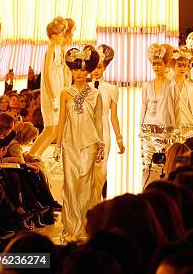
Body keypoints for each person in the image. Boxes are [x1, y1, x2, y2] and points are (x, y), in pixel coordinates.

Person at [54, 46, 104, 241]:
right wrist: (57, 145)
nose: (79, 73)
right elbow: (61, 121)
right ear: (71, 70)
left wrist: (101, 145)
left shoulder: (96, 94)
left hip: (90, 143)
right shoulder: (65, 93)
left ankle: (83, 226)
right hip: (69, 143)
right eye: (76, 69)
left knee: (86, 185)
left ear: (89, 71)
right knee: (70, 185)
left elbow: (99, 121)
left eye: (83, 69)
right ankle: (68, 227)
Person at [140, 44, 178, 186]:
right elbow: (143, 107)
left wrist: (174, 130)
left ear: (165, 64)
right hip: (147, 130)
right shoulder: (146, 85)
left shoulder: (171, 85)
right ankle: (146, 192)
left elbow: (175, 109)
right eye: (154, 64)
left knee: (161, 165)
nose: (156, 67)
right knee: (146, 166)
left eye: (159, 64)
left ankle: (160, 192)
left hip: (164, 131)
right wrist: (141, 128)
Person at [29, 16, 67, 158]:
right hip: (51, 92)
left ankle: (34, 154)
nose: (63, 37)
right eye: (62, 35)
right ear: (54, 36)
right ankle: (35, 154)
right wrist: (54, 98)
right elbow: (47, 75)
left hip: (57, 90)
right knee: (52, 127)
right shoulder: (50, 49)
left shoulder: (57, 49)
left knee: (52, 128)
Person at [91, 44, 125, 199]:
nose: (97, 70)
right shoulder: (83, 87)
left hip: (104, 132)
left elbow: (114, 116)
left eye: (100, 67)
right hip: (86, 132)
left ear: (105, 67)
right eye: (95, 67)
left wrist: (119, 139)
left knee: (102, 168)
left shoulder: (112, 89)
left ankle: (99, 202)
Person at [170, 46, 193, 138]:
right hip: (171, 128)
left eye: (185, 66)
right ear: (173, 66)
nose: (182, 69)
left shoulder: (192, 88)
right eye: (179, 66)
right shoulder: (167, 86)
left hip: (189, 128)